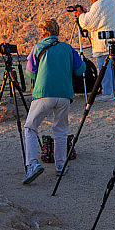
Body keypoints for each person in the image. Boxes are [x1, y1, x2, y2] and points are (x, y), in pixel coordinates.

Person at [22, 18, 85, 184]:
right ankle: (60, 166)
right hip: (65, 94)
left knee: (30, 127)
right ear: (57, 31)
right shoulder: (68, 48)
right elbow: (80, 70)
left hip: (44, 94)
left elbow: (30, 72)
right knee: (61, 130)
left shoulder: (38, 48)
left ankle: (32, 164)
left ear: (43, 33)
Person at [73, 0, 115, 100]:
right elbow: (99, 17)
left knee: (105, 66)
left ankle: (108, 92)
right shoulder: (108, 1)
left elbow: (88, 23)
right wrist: (87, 11)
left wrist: (80, 16)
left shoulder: (99, 5)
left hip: (105, 43)